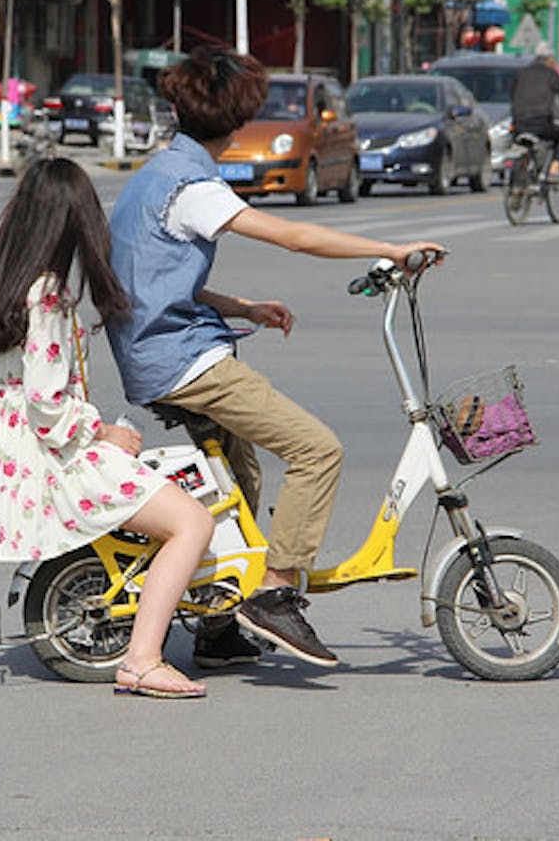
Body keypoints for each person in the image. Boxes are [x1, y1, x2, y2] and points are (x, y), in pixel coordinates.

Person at [106, 46, 444, 671]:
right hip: (181, 359)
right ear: (238, 124)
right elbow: (295, 235)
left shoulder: (155, 174)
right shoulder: (195, 187)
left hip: (156, 350)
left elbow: (148, 276)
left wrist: (241, 306)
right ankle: (275, 591)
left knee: (242, 476)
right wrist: (390, 248)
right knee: (317, 450)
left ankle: (215, 622)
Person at [0, 158, 213, 699]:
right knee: (192, 522)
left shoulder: (12, 284)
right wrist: (105, 433)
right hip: (59, 454)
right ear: (72, 223)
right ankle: (143, 659)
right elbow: (47, 404)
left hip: (31, 452)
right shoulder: (48, 295)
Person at [509, 42, 559, 179]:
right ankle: (555, 167)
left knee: (521, 142)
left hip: (519, 124)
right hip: (541, 123)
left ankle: (523, 171)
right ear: (550, 59)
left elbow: (513, 95)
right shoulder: (551, 74)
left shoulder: (522, 73)